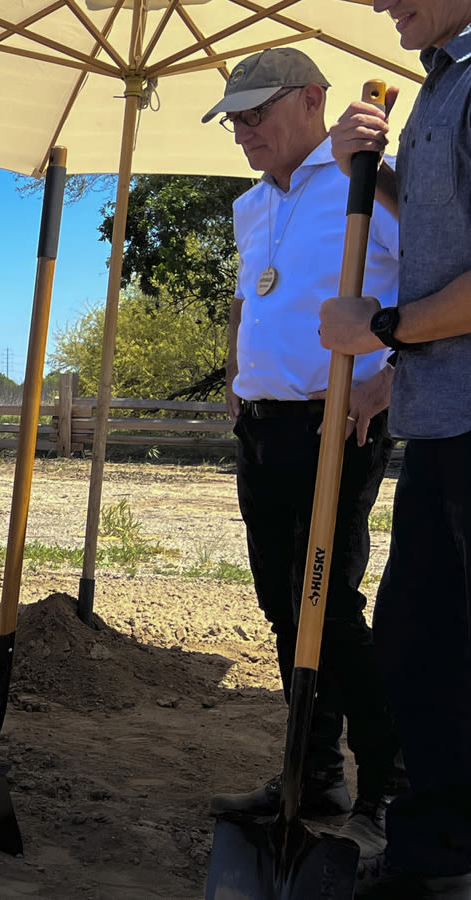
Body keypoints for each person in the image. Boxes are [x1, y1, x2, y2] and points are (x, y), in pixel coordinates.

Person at [197, 48, 407, 831]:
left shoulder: (367, 186)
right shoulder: (251, 207)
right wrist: (238, 372)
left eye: (257, 113)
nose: (243, 131)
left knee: (329, 604)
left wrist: (386, 382)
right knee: (283, 605)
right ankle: (313, 774)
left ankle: (390, 781)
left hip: (338, 423)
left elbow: (432, 291)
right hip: (262, 428)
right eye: (235, 120)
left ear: (313, 99)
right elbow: (254, 298)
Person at [321, 2, 471, 895]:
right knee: (421, 646)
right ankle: (433, 857)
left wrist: (382, 326)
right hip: (441, 419)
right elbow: (443, 229)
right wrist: (367, 174)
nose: (378, 2)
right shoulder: (441, 83)